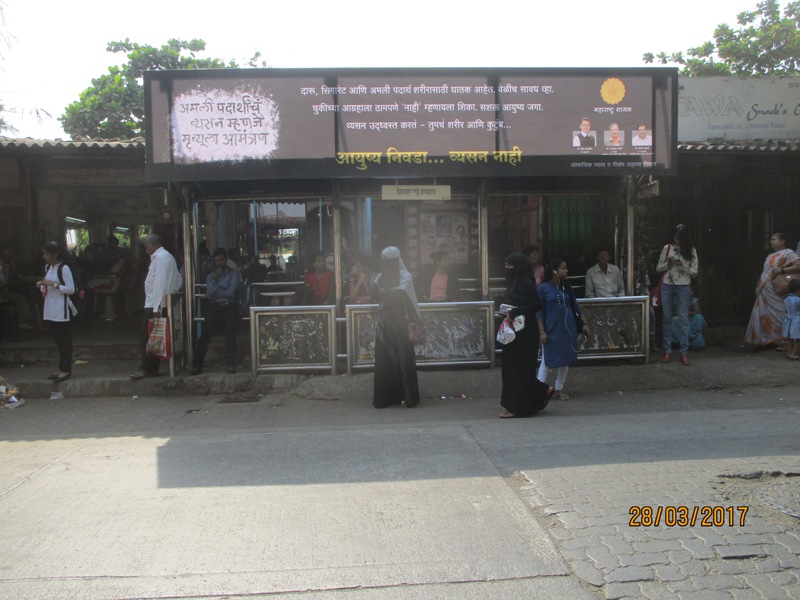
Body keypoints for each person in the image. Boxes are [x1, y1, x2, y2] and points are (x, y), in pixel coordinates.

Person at [498, 253, 554, 418]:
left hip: (525, 334)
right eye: (506, 265)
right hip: (513, 332)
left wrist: (515, 311)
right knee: (511, 368)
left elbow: (535, 305)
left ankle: (518, 407)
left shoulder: (524, 284)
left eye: (510, 266)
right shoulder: (514, 283)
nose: (507, 269)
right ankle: (542, 391)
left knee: (518, 369)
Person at [371, 246, 421, 409]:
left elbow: (398, 296)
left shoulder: (402, 277)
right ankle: (389, 397)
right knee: (387, 359)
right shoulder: (380, 277)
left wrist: (384, 294)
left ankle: (406, 397)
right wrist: (390, 295)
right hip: (389, 323)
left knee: (402, 359)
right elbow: (392, 295)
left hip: (399, 323)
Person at [130, 234, 182, 381]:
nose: (146, 249)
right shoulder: (168, 257)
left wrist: (158, 306)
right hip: (160, 303)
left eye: (147, 246)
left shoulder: (160, 258)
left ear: (154, 244)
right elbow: (178, 279)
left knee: (147, 338)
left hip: (154, 305)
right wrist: (171, 294)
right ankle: (151, 368)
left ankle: (148, 368)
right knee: (155, 337)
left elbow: (159, 284)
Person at [537, 258, 589, 400]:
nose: (566, 271)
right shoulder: (543, 288)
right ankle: (539, 390)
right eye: (563, 268)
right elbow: (539, 312)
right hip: (551, 327)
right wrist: (542, 332)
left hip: (568, 327)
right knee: (547, 359)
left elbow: (575, 306)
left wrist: (585, 323)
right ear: (554, 271)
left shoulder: (566, 287)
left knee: (565, 357)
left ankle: (559, 388)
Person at [191, 248, 241, 375]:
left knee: (230, 334)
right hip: (214, 306)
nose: (219, 263)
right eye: (217, 260)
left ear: (226, 260)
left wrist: (217, 287)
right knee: (205, 335)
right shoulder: (211, 276)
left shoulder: (234, 274)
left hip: (229, 306)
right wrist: (218, 282)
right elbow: (209, 294)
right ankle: (197, 365)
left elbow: (231, 293)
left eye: (222, 260)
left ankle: (231, 364)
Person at [746, 232, 800, 348]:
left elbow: (798, 265)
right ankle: (767, 339)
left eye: (774, 239)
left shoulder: (789, 253)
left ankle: (783, 340)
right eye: (771, 240)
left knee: (780, 313)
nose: (771, 242)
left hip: (776, 290)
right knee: (764, 314)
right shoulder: (770, 255)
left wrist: (782, 270)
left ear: (782, 241)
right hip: (765, 289)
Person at [657, 225, 699, 365]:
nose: (676, 240)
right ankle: (667, 350)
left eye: (679, 238)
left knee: (683, 318)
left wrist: (682, 265)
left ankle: (684, 351)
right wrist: (668, 264)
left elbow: (694, 272)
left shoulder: (691, 251)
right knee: (666, 317)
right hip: (667, 284)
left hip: (683, 285)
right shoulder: (667, 248)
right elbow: (658, 268)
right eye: (675, 237)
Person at [36, 242, 77, 383]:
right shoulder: (49, 267)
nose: (44, 256)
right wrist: (42, 285)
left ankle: (66, 369)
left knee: (65, 340)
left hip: (62, 309)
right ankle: (61, 368)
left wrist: (53, 284)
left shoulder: (64, 268)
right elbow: (47, 284)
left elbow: (71, 289)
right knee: (58, 340)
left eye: (46, 254)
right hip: (51, 308)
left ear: (55, 255)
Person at [784, 279, 800, 360]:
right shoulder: (798, 300)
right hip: (797, 321)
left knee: (790, 338)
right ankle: (794, 354)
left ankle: (789, 352)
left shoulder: (786, 299)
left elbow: (785, 310)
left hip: (789, 320)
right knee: (798, 338)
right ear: (798, 291)